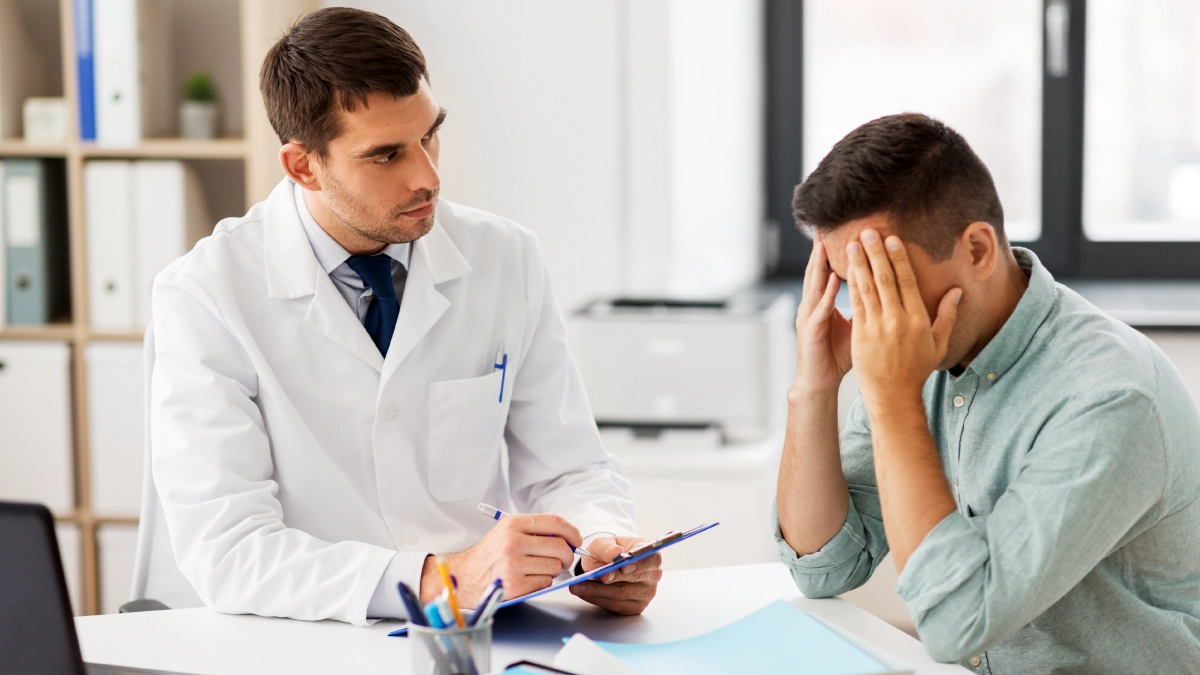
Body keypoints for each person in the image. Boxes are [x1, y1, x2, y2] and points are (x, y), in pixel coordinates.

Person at [150, 7, 660, 626]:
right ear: (303, 165)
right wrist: (438, 579)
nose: (428, 176)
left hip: (480, 638)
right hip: (302, 640)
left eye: (429, 135)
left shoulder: (506, 257)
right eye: (386, 155)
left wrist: (598, 548)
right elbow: (228, 550)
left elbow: (568, 466)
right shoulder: (206, 293)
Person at [774, 113, 1200, 672]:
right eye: (855, 284)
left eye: (886, 278)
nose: (872, 313)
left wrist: (892, 400)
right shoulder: (921, 356)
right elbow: (824, 567)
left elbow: (958, 624)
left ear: (977, 250)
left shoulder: (1111, 394)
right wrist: (813, 386)